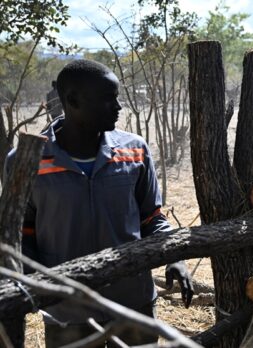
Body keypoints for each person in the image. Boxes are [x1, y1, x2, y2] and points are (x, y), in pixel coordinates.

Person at [3, 59, 193, 347]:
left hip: (133, 303)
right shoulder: (27, 161)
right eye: (108, 99)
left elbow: (151, 219)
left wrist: (174, 256)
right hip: (66, 310)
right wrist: (38, 287)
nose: (118, 107)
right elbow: (21, 235)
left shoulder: (134, 151)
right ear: (72, 100)